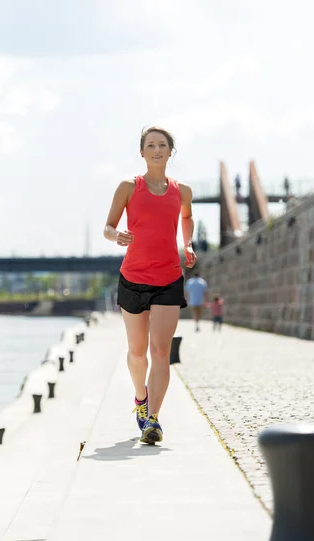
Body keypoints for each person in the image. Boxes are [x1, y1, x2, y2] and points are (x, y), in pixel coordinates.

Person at [103, 126, 197, 444]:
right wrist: (117, 236)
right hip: (132, 277)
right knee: (138, 352)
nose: (157, 150)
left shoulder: (182, 190)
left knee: (161, 351)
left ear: (171, 151)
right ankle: (140, 399)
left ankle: (152, 421)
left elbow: (187, 218)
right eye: (150, 145)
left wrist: (188, 245)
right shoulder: (129, 187)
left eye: (162, 145)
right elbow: (108, 226)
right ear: (141, 152)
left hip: (169, 277)